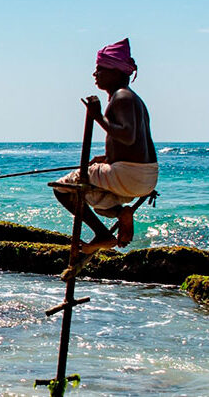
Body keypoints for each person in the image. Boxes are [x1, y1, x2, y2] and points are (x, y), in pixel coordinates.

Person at [53, 38, 158, 253]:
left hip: (128, 174)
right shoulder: (134, 99)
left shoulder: (121, 96)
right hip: (145, 176)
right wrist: (108, 158)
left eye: (100, 69)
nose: (95, 74)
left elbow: (127, 136)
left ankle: (102, 235)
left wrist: (98, 117)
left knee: (62, 189)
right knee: (97, 201)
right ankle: (122, 213)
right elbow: (135, 144)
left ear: (116, 72)